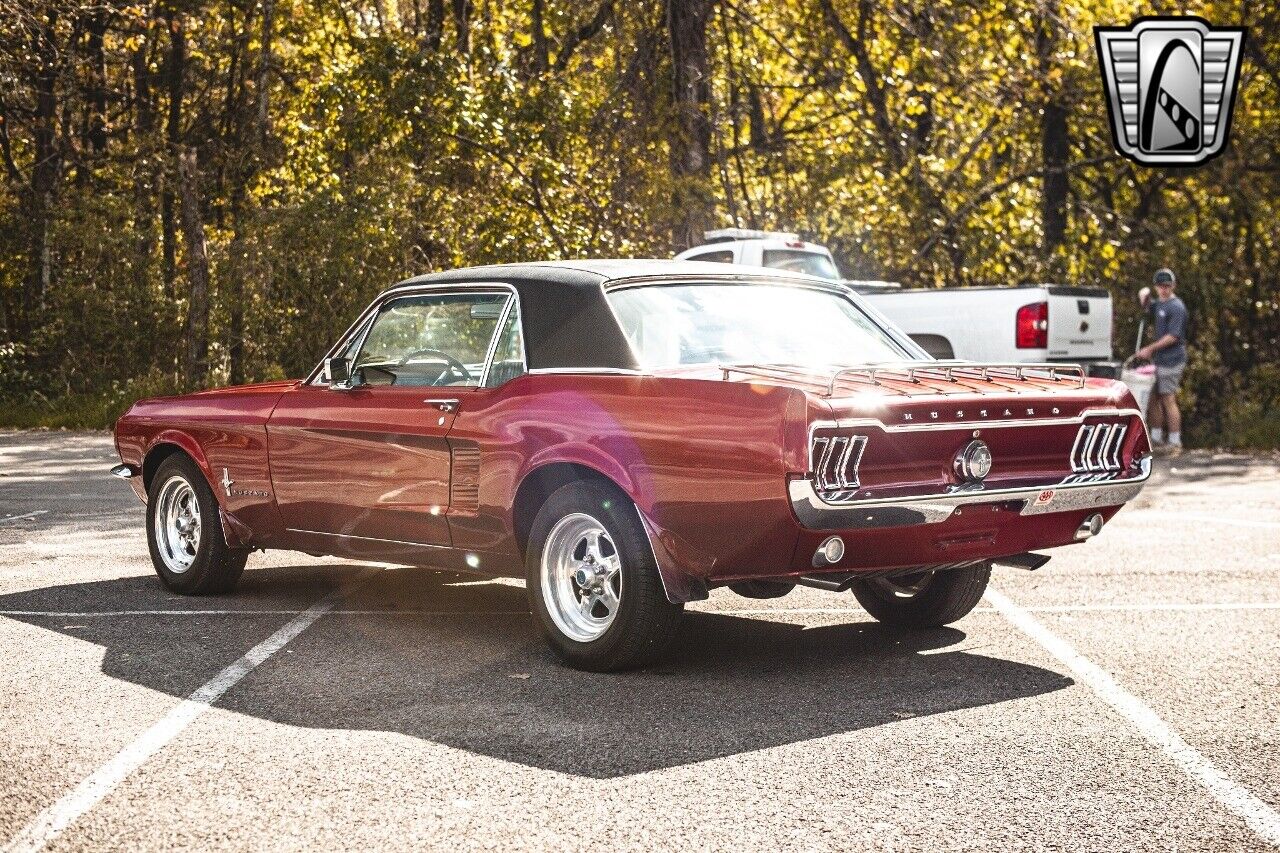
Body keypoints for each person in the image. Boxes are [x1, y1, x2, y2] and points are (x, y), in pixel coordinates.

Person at [1136, 268, 1189, 455]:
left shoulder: (1177, 307)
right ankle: (1156, 438)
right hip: (1159, 361)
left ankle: (1175, 441)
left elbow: (1173, 336)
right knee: (1153, 398)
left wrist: (1150, 349)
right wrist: (1144, 296)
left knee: (1168, 398)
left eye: (1167, 286)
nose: (1164, 290)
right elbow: (1148, 306)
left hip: (1172, 360)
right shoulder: (1160, 304)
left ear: (1173, 286)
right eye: (1160, 286)